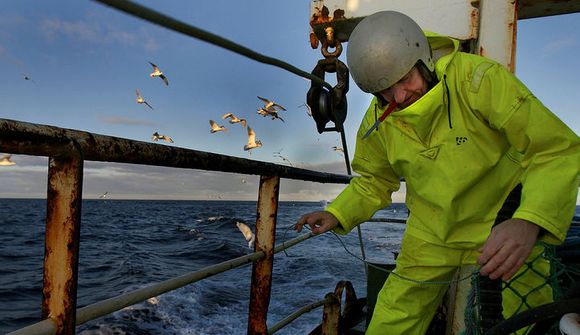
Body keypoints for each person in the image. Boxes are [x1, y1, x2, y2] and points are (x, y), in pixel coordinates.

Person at [295, 10, 580, 334]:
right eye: (385, 90)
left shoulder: (478, 81)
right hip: (432, 231)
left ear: (423, 58)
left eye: (405, 79)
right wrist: (337, 213)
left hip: (502, 224)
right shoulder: (378, 123)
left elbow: (555, 149)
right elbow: (374, 181)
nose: (400, 97)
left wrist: (529, 222)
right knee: (393, 316)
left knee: (524, 319)